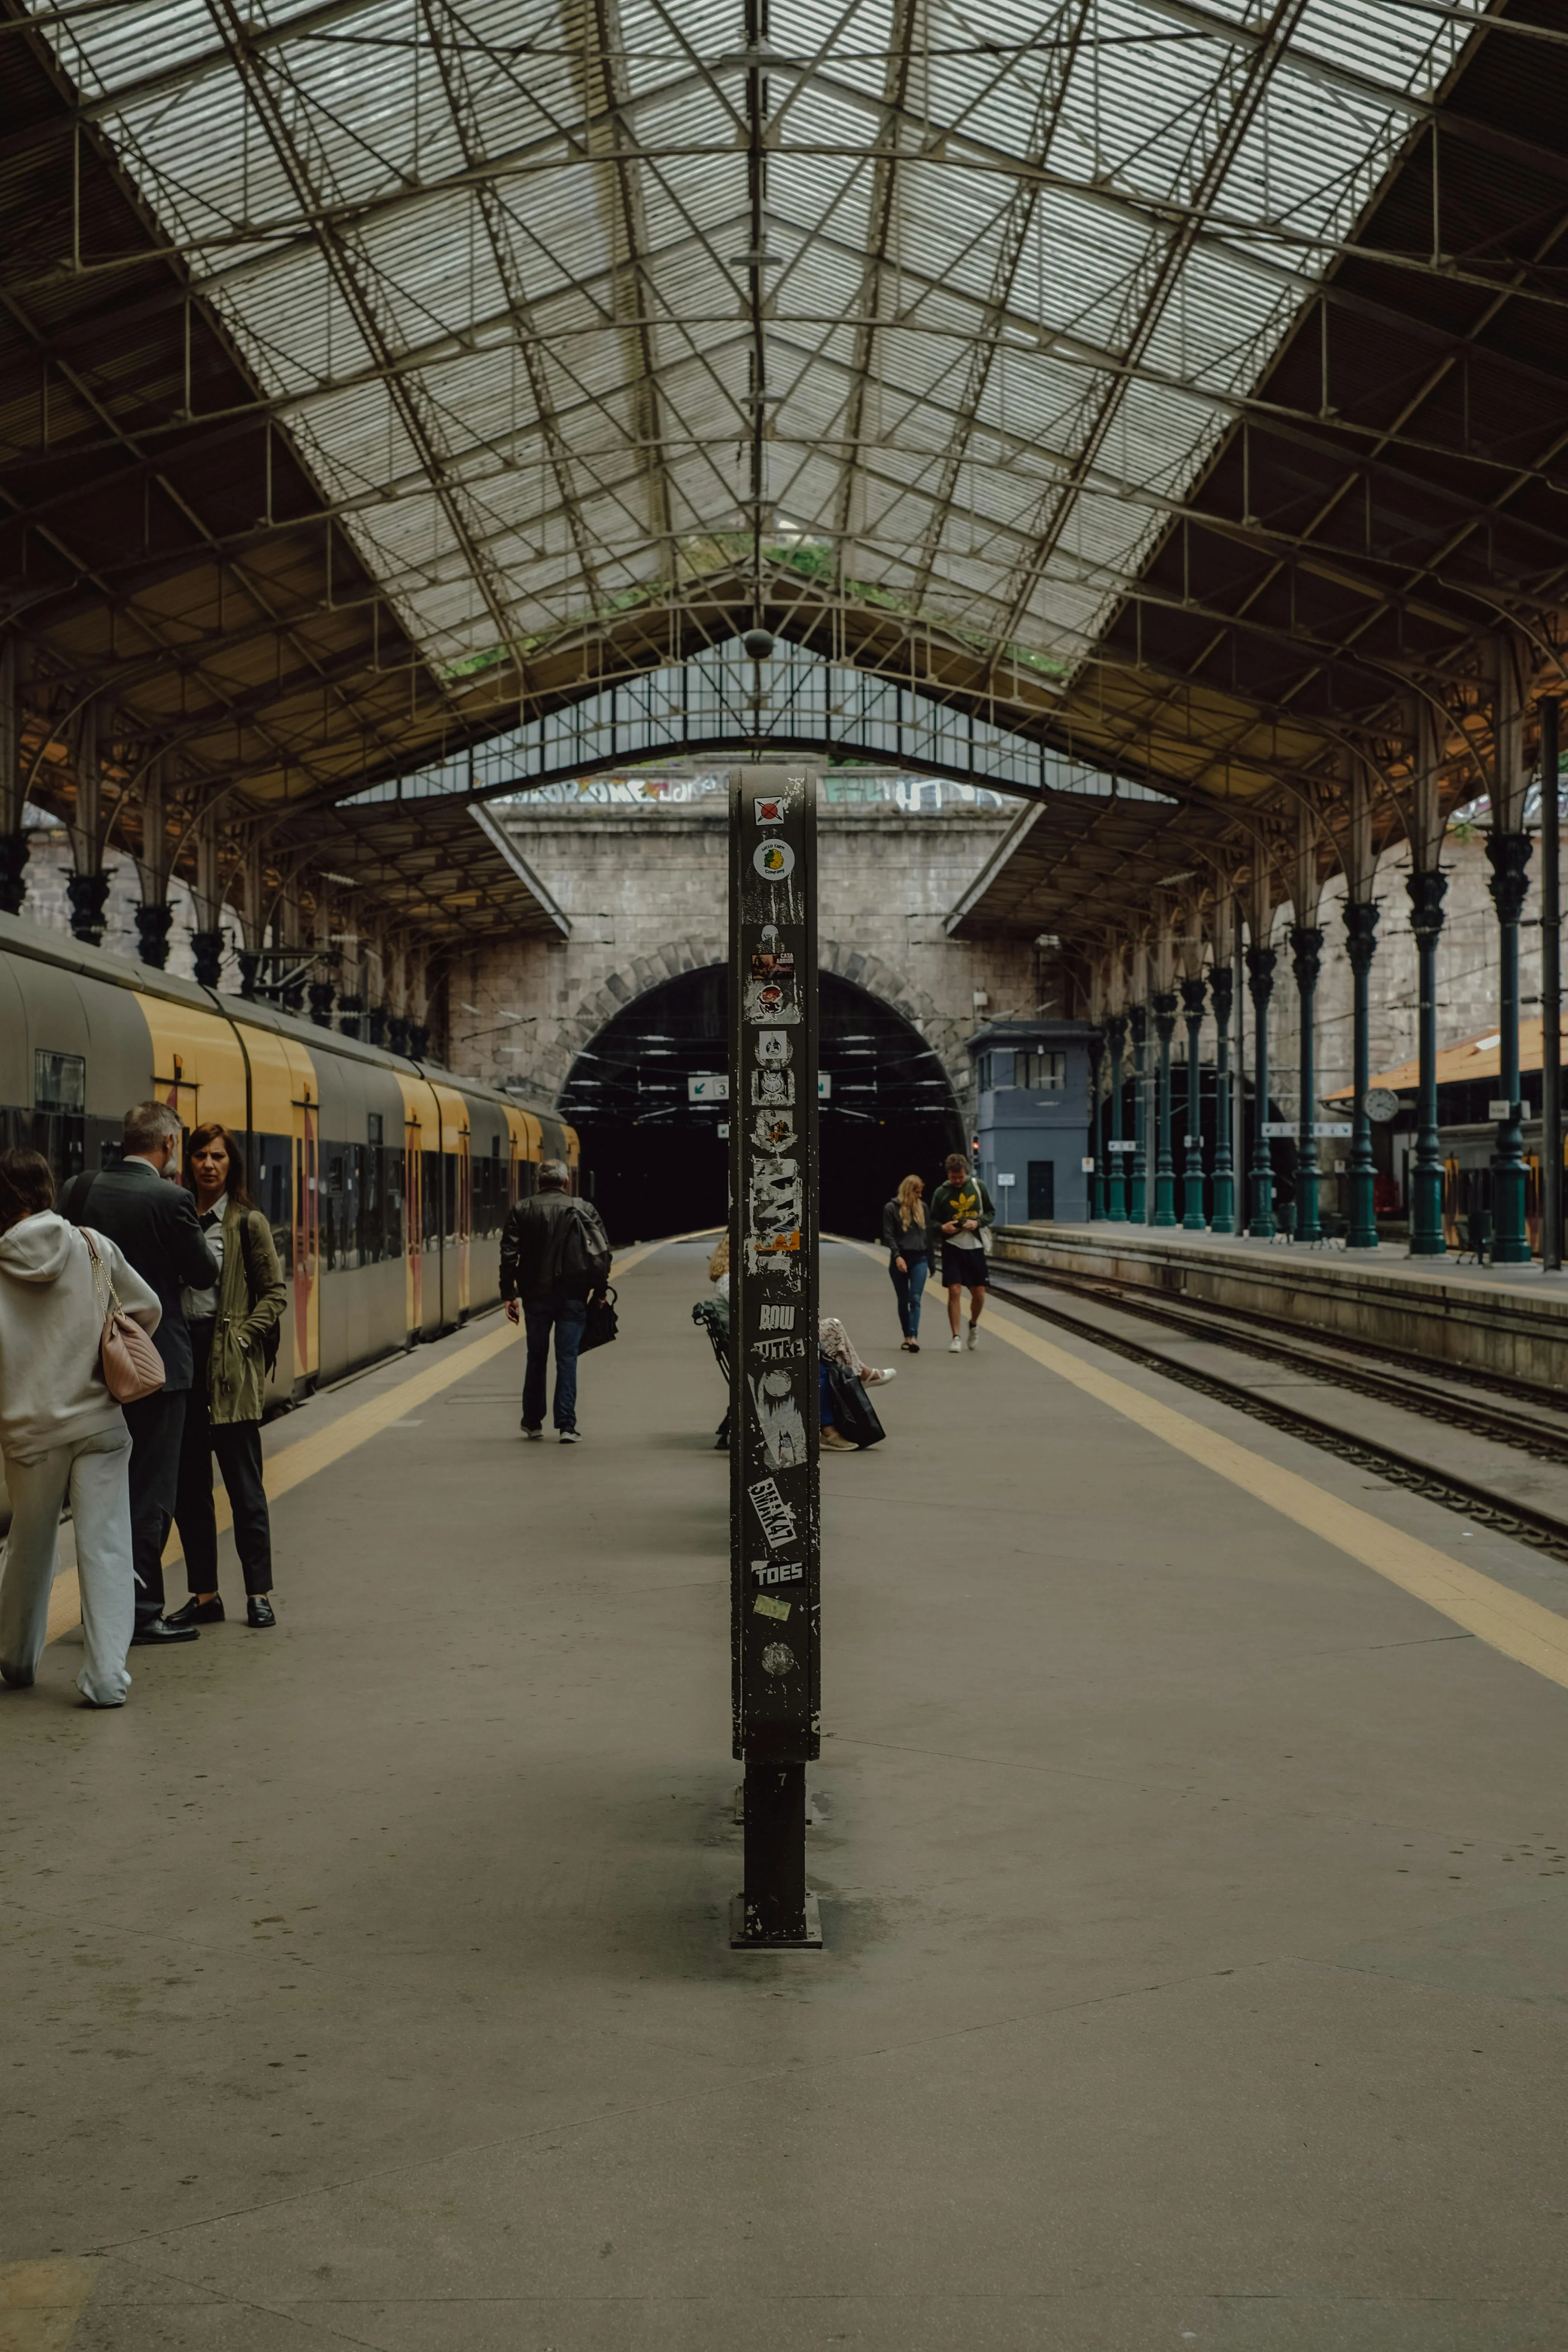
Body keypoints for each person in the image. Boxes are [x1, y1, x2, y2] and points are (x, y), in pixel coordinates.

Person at [0, 1148, 160, 1706]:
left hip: (31, 1432)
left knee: (30, 1544)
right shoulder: (93, 1247)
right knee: (107, 1546)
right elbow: (147, 1308)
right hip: (100, 1422)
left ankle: (17, 1658)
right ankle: (106, 1679)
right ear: (48, 1189)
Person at [60, 1104, 219, 1643]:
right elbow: (204, 1272)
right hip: (155, 1367)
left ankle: (100, 1609)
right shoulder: (172, 1200)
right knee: (150, 1490)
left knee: (99, 1489)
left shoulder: (79, 1190)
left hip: (91, 1362)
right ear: (169, 1144)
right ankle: (142, 1611)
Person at [167, 1123, 286, 1631]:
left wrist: (243, 1336)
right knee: (190, 1490)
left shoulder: (246, 1223)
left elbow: (274, 1293)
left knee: (244, 1488)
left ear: (230, 1164)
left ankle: (258, 1594)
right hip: (183, 1361)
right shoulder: (175, 1216)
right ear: (189, 1163)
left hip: (230, 1368)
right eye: (200, 1156)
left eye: (217, 1156)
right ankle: (205, 1595)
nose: (208, 1165)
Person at [499, 1162, 612, 1442]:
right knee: (567, 1358)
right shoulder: (584, 1208)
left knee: (536, 1357)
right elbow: (602, 1255)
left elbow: (509, 1255)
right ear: (566, 1181)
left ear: (538, 1182)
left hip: (535, 1297)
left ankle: (532, 1422)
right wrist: (600, 1293)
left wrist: (509, 1295)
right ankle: (567, 1426)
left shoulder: (522, 1209)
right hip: (573, 1296)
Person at [930, 1152, 995, 1354]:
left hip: (975, 1246)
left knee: (979, 1293)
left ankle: (973, 1324)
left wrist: (977, 1222)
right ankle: (956, 1336)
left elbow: (991, 1213)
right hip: (953, 1246)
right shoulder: (941, 1193)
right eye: (953, 1177)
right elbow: (932, 1222)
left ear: (966, 1172)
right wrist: (943, 1228)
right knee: (955, 1290)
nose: (957, 1181)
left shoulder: (978, 1186)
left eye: (960, 1177)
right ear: (948, 1174)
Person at [881, 1173, 936, 1351]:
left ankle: (913, 1337)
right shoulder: (891, 1208)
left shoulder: (923, 1208)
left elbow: (928, 1236)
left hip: (920, 1258)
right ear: (908, 1192)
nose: (920, 1196)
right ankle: (906, 1336)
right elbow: (889, 1235)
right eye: (917, 1192)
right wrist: (897, 1256)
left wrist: (931, 1262)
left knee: (915, 1298)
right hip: (900, 1258)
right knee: (903, 1299)